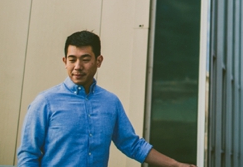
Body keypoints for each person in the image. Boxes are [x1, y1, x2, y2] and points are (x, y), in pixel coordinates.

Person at [17, 30, 195, 167]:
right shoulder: (45, 102)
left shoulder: (111, 103)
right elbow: (28, 155)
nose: (77, 66)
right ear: (65, 61)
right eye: (72, 59)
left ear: (99, 61)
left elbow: (132, 145)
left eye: (85, 59)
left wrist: (175, 165)